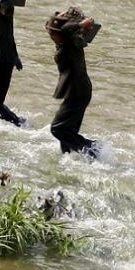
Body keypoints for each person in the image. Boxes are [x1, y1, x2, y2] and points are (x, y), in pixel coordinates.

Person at [46, 8, 97, 158]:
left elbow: (67, 29)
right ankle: (72, 159)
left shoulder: (69, 41)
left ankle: (93, 149)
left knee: (57, 129)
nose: (50, 35)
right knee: (67, 133)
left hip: (77, 92)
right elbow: (62, 28)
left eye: (52, 33)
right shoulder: (69, 42)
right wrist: (61, 16)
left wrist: (81, 24)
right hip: (77, 91)